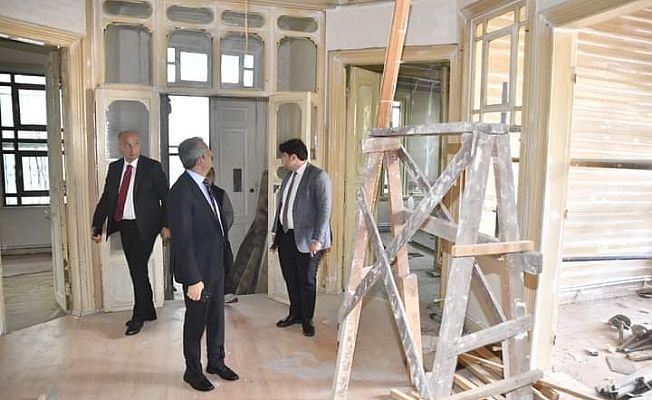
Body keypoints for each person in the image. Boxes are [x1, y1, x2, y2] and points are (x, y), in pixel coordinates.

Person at [168, 138, 239, 392]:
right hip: (198, 272)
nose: (212, 155)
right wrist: (193, 279)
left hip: (215, 265)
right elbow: (183, 240)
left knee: (217, 317)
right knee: (196, 322)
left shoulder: (203, 186)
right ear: (201, 160)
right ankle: (192, 370)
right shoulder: (181, 192)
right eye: (209, 152)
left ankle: (216, 362)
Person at [91, 130, 170, 336]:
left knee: (137, 268)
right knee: (138, 269)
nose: (133, 149)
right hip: (124, 225)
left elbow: (166, 198)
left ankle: (138, 316)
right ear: (120, 147)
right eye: (128, 144)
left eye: (136, 144)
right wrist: (97, 224)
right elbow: (107, 198)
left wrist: (166, 225)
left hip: (147, 226)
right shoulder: (115, 168)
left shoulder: (152, 167)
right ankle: (149, 310)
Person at [271, 138, 332, 337]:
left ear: (293, 157)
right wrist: (276, 230)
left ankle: (307, 319)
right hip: (287, 235)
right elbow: (284, 205)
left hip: (309, 239)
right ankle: (295, 314)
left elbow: (324, 210)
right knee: (290, 277)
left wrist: (317, 239)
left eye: (283, 156)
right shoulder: (288, 176)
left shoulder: (318, 176)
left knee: (306, 280)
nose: (282, 160)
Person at [205, 167, 238, 304]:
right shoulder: (194, 193)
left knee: (226, 263)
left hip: (221, 238)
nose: (207, 179)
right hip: (202, 239)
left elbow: (229, 214)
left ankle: (227, 292)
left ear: (213, 177)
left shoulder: (220, 193)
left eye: (210, 176)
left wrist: (223, 229)